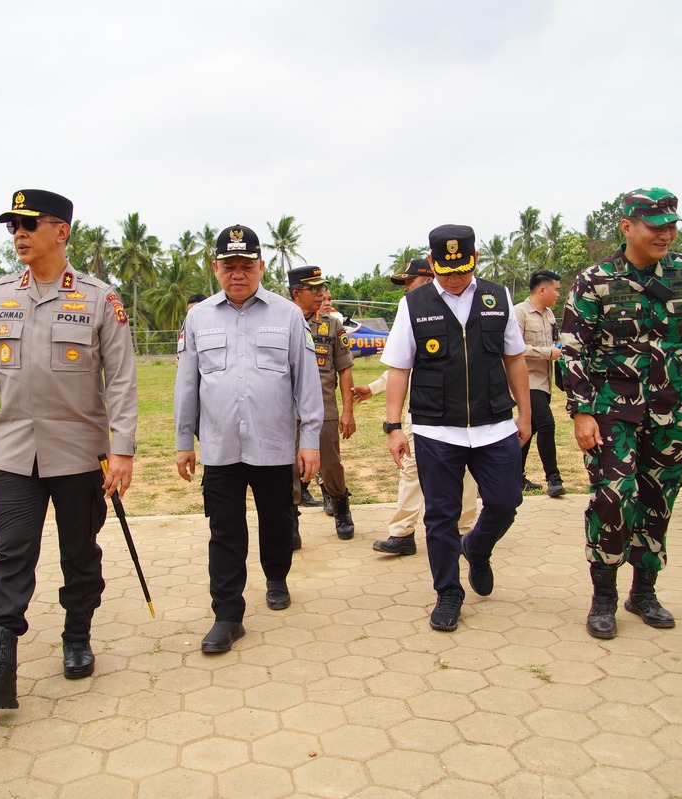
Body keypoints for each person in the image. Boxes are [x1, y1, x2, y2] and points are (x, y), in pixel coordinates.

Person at [0, 189, 137, 708]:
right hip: (13, 456)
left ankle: (77, 636)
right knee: (11, 557)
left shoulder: (99, 298)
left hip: (79, 456)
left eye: (30, 224)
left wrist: (122, 451)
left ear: (62, 231)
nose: (19, 235)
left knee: (79, 553)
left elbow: (120, 382)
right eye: (13, 227)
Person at [559, 187, 682, 640]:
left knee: (658, 501)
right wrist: (581, 411)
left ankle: (643, 591)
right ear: (627, 226)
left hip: (670, 409)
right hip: (612, 410)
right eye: (656, 225)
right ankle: (604, 596)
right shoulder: (596, 279)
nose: (666, 233)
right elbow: (572, 350)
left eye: (671, 225)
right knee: (613, 498)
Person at [175, 224, 322, 653]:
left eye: (246, 265)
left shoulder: (288, 315)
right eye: (228, 266)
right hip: (220, 445)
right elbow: (187, 383)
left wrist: (309, 438)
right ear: (216, 269)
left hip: (274, 444)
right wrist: (185, 440)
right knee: (224, 529)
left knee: (277, 519)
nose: (237, 274)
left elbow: (306, 381)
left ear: (260, 266)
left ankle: (276, 577)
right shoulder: (198, 317)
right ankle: (227, 614)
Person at [381, 225, 532, 632]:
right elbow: (399, 368)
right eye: (446, 271)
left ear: (475, 259)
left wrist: (525, 414)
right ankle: (448, 592)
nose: (454, 278)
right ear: (432, 263)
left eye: (462, 269)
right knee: (441, 516)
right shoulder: (413, 304)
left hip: (495, 423)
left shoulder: (497, 297)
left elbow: (515, 359)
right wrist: (394, 427)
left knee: (506, 501)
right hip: (436, 429)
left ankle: (477, 549)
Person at [354, 258, 479, 556]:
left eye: (409, 281)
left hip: (463, 410)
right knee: (410, 468)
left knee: (464, 472)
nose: (406, 287)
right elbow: (400, 365)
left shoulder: (466, 309)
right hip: (421, 411)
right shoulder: (412, 311)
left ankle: (465, 531)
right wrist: (372, 389)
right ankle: (402, 533)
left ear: (428, 277)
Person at [288, 266, 356, 539]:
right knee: (288, 467)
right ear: (296, 294)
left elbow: (345, 369)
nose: (320, 293)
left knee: (330, 464)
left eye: (321, 288)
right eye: (313, 289)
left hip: (324, 406)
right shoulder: (282, 323)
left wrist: (348, 412)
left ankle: (340, 506)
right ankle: (290, 521)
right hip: (287, 409)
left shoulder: (332, 325)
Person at [515, 269, 566, 497]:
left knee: (531, 429)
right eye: (556, 289)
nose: (558, 294)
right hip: (526, 381)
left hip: (544, 382)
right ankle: (553, 479)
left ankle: (515, 477)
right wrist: (548, 353)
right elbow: (515, 349)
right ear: (542, 289)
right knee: (547, 424)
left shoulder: (549, 315)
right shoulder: (520, 313)